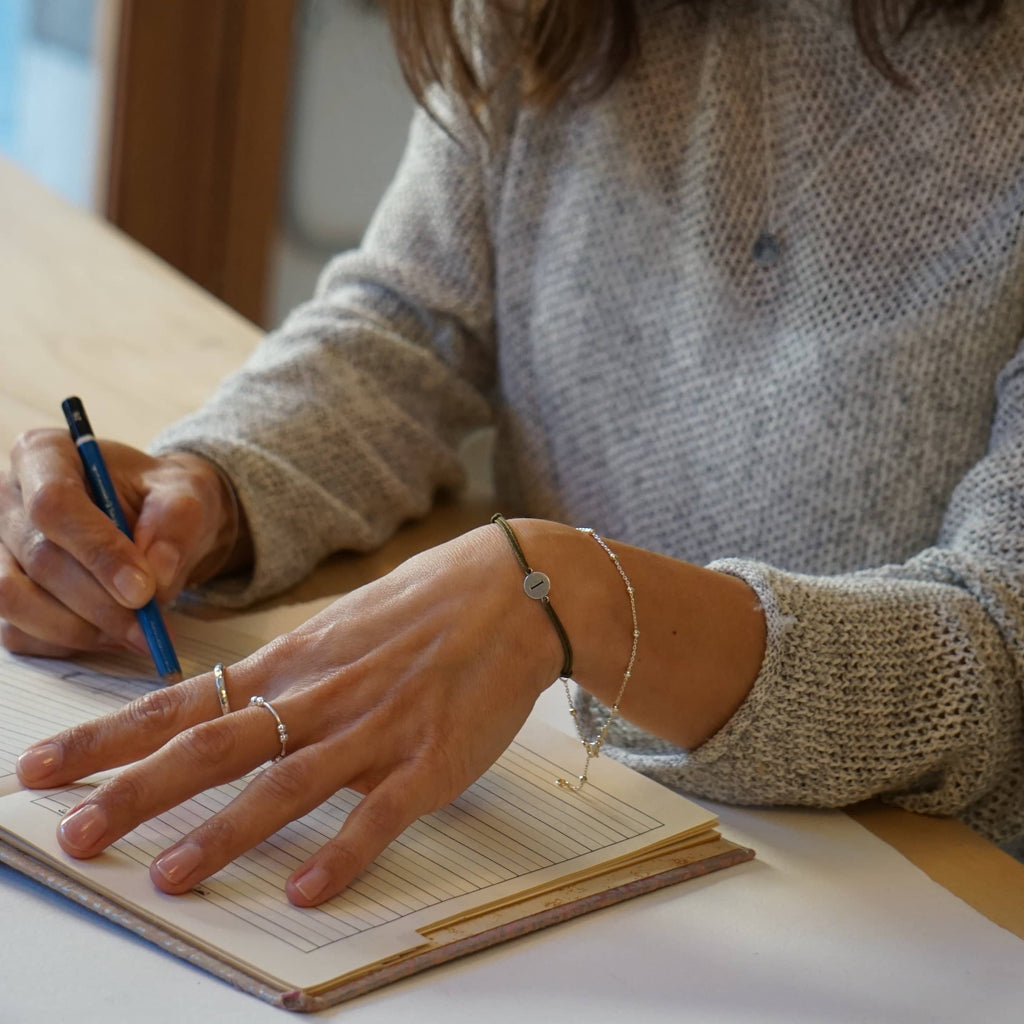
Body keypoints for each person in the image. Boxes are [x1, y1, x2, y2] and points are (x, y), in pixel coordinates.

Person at [3, 0, 1023, 907]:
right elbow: (410, 322)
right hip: (557, 815)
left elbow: (998, 649)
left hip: (909, 901)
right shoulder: (546, 16)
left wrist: (587, 599)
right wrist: (213, 485)